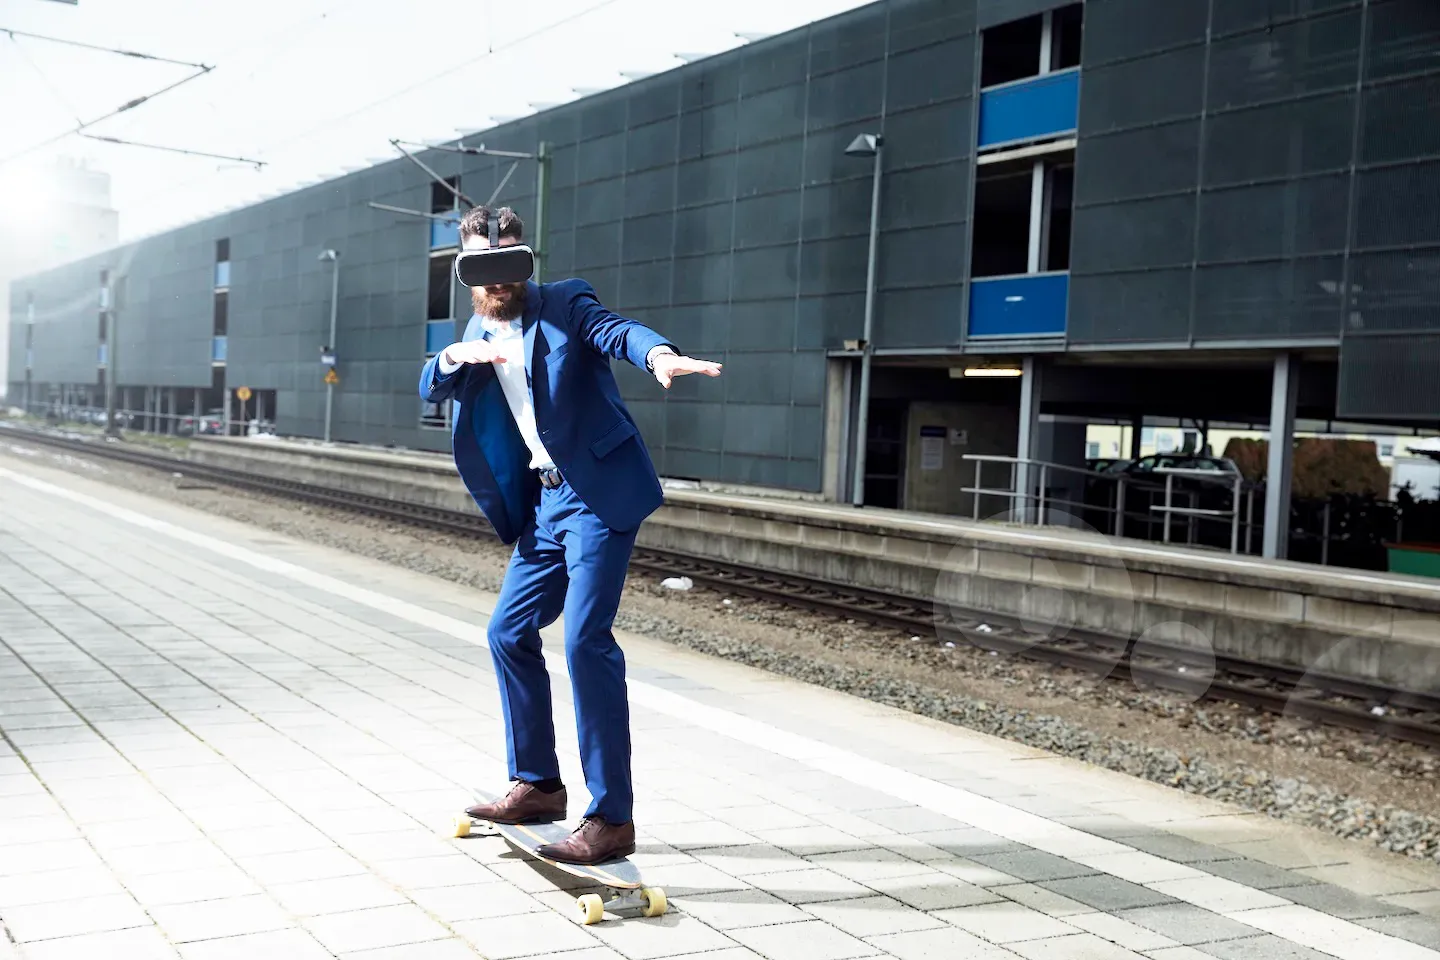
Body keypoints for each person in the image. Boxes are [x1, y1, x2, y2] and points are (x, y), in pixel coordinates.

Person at [419, 204, 721, 865]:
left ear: (527, 259)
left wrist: (659, 355)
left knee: (585, 641)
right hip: (543, 504)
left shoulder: (564, 302)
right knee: (507, 632)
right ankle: (537, 785)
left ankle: (611, 818)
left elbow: (616, 330)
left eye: (510, 264)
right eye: (483, 271)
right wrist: (450, 356)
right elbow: (431, 386)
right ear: (466, 273)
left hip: (594, 497)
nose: (499, 282)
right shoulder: (475, 325)